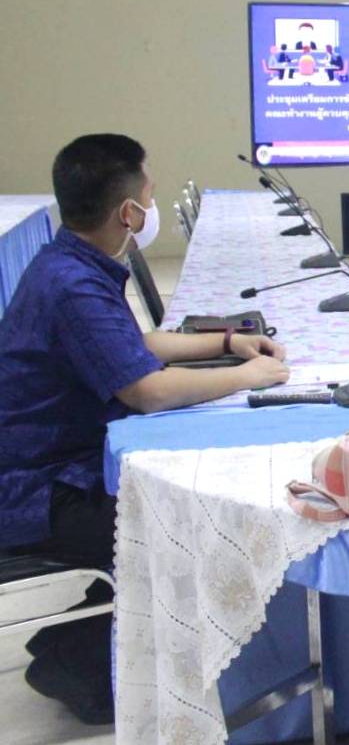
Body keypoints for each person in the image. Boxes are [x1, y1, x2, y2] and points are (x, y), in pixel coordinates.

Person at [0, 134, 290, 724]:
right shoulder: (73, 285)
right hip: (37, 488)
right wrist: (248, 376)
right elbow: (147, 390)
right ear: (128, 213)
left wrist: (228, 343)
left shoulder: (71, 261)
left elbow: (131, 346)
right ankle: (82, 663)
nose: (150, 209)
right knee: (179, 522)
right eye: (148, 196)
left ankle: (73, 649)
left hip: (57, 462)